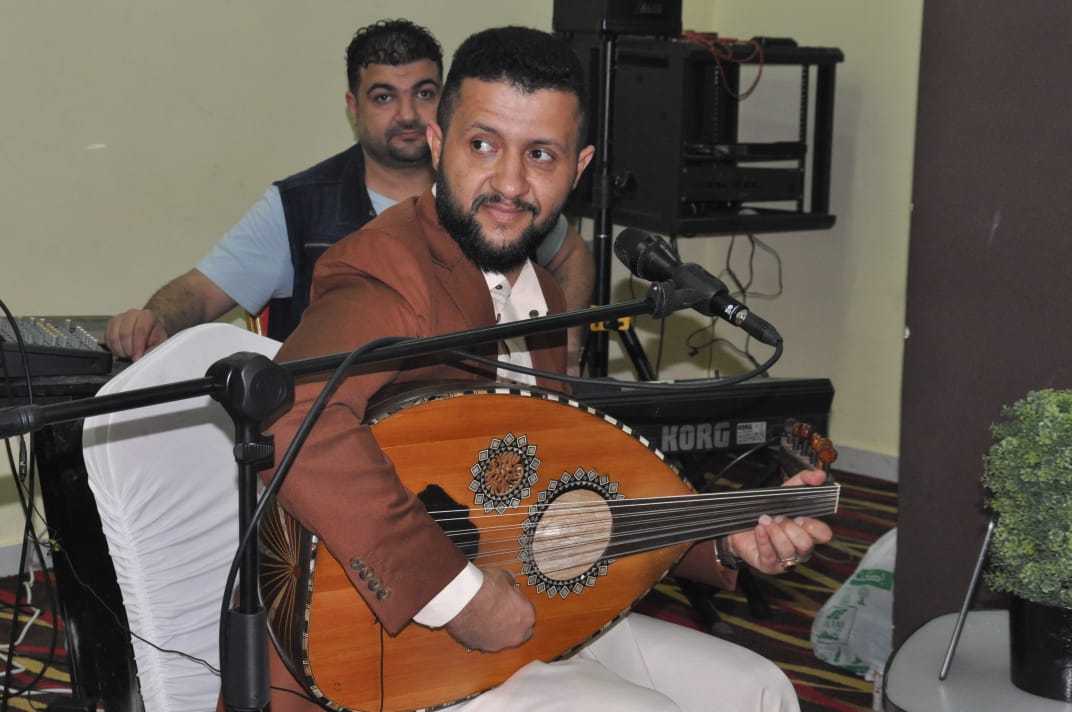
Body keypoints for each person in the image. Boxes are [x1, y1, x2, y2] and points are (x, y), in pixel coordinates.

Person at [261, 25, 832, 712]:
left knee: (760, 690)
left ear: (579, 167)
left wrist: (728, 541)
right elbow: (289, 415)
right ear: (438, 144)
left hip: (532, 610)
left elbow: (563, 496)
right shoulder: (391, 268)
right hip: (395, 647)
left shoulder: (546, 299)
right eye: (483, 145)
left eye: (540, 154)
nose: (510, 183)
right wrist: (459, 596)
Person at [106, 19, 594, 365]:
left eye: (424, 93)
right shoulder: (297, 208)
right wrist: (154, 320)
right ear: (353, 107)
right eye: (384, 97)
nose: (408, 114)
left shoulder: (503, 202)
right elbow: (200, 291)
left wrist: (562, 349)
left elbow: (572, 256)